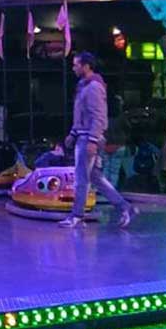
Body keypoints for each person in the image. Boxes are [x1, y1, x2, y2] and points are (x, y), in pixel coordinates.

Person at [59, 52, 135, 229]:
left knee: (81, 178)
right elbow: (82, 115)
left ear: (86, 66)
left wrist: (92, 141)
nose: (73, 68)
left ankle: (77, 215)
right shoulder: (83, 86)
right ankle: (125, 207)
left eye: (76, 64)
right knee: (96, 178)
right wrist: (73, 134)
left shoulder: (94, 87)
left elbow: (99, 117)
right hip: (84, 136)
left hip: (88, 139)